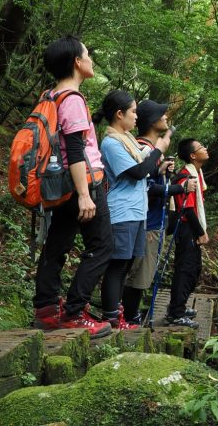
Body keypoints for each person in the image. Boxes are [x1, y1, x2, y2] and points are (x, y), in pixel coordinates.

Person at [32, 36, 113, 337]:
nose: (91, 60)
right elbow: (76, 151)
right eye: (88, 55)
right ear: (77, 63)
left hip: (57, 183)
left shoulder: (50, 95)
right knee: (102, 246)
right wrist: (84, 196)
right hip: (83, 183)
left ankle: (46, 310)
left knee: (57, 244)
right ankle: (73, 314)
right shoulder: (74, 99)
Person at [96, 89, 170, 330]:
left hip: (137, 212)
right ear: (119, 114)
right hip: (122, 211)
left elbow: (144, 169)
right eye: (133, 112)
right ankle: (110, 317)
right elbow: (138, 172)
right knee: (117, 266)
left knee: (126, 266)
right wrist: (159, 149)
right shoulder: (111, 142)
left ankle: (118, 316)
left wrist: (159, 166)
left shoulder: (126, 139)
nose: (137, 117)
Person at [121, 100, 196, 325]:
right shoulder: (145, 149)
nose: (166, 118)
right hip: (148, 221)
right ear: (153, 122)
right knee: (140, 272)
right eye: (163, 115)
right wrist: (178, 188)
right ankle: (130, 317)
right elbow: (147, 188)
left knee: (143, 270)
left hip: (152, 220)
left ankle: (131, 313)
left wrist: (162, 172)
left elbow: (150, 181)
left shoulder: (150, 151)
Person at [164, 137, 210, 327]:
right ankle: (176, 313)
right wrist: (201, 232)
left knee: (193, 269)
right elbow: (187, 209)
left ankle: (178, 306)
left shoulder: (197, 173)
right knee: (186, 270)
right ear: (193, 156)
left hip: (190, 227)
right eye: (201, 147)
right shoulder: (186, 176)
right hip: (186, 228)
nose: (205, 149)